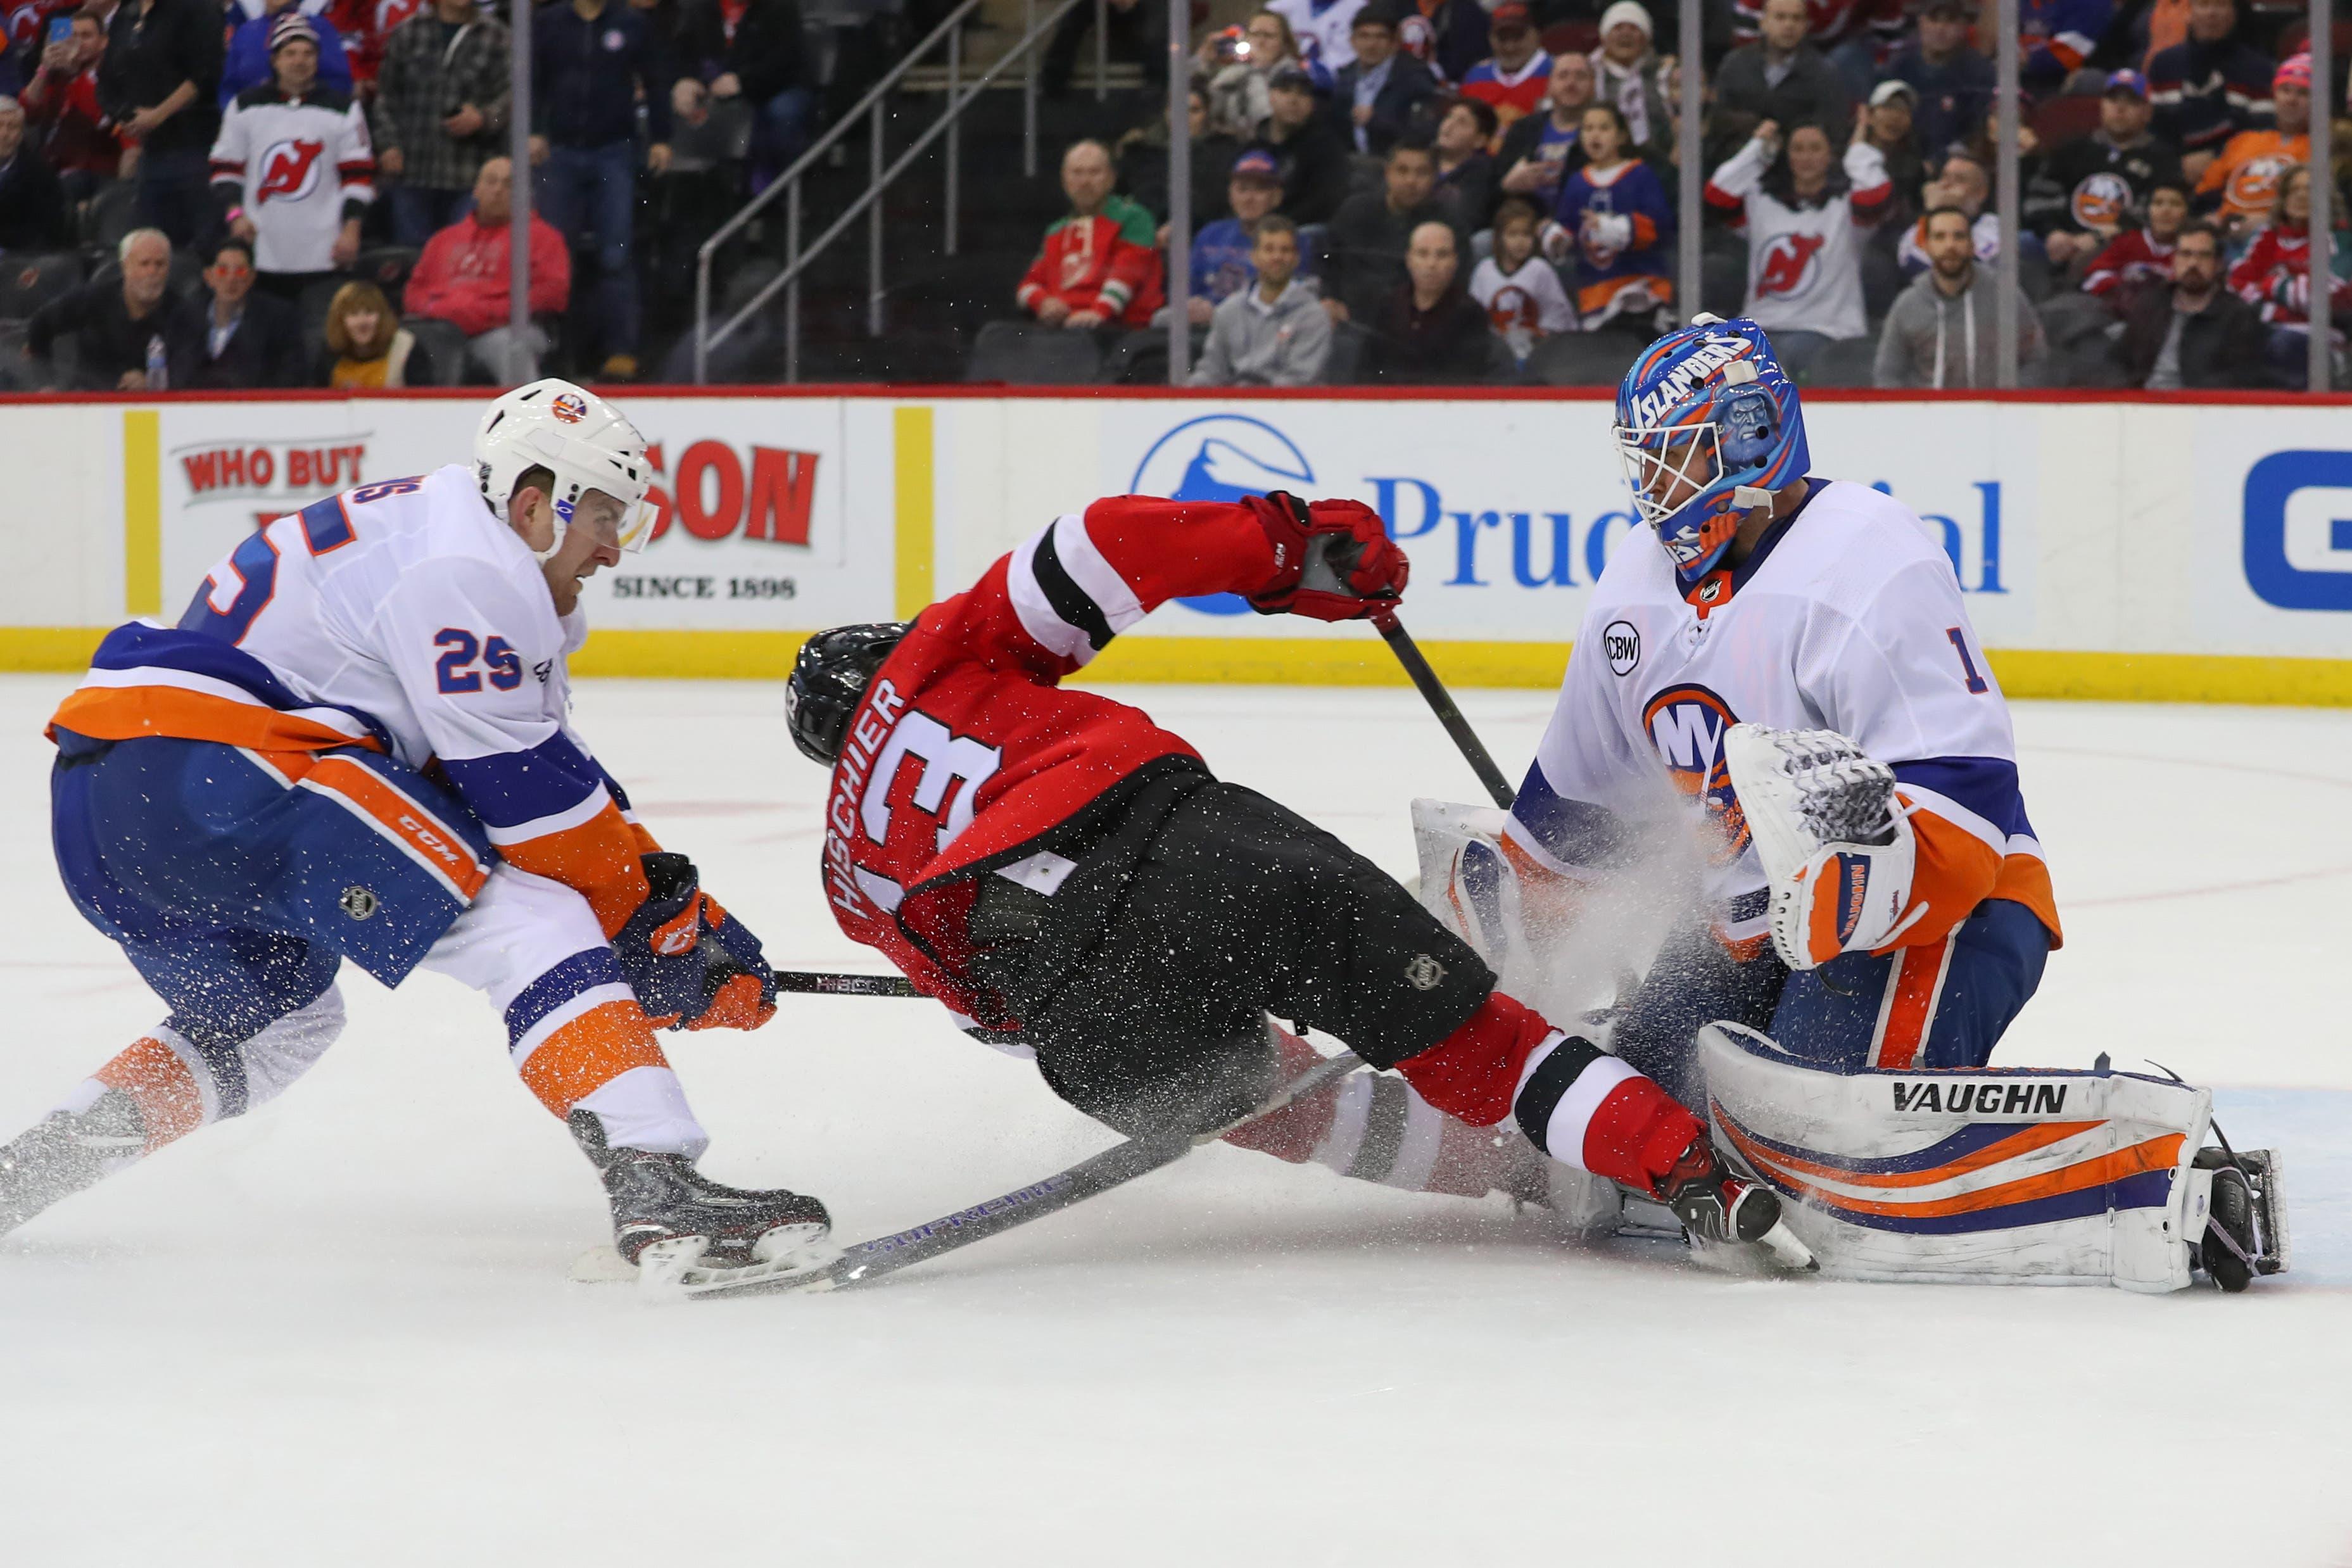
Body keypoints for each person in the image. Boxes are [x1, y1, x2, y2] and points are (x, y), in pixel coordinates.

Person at [782, 495, 1800, 1296]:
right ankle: (1681, 1171)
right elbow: (1093, 546)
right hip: (1190, 851)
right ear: (888, 650)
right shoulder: (932, 657)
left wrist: (1097, 1032)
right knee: (1479, 1046)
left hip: (1082, 1018)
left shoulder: (843, 873)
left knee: (1280, 1102)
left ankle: (1508, 1171)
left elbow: (990, 1021)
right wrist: (1279, 549)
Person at [0, 381, 830, 1279]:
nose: (612, 553)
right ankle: (656, 1182)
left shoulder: (439, 538)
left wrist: (665, 906)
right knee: (530, 922)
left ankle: (28, 1172)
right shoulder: (471, 572)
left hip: (116, 803)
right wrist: (647, 930)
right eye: (602, 518)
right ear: (531, 503)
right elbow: (529, 808)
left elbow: (557, 773)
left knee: (274, 1021)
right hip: (231, 774)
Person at [530, 0, 673, 382]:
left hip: (614, 150)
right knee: (557, 258)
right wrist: (532, 131)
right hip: (559, 151)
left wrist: (661, 137)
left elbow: (655, 79)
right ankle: (555, 352)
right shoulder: (549, 22)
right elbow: (532, 80)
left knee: (616, 254)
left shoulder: (630, 23)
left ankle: (621, 350)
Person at [209, 13, 374, 300]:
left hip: (324, 254)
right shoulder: (245, 106)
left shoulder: (344, 109)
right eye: (291, 53)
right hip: (260, 252)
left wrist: (351, 229)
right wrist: (235, 215)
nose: (300, 61)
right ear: (275, 60)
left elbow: (358, 176)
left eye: (308, 53)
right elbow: (225, 169)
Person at [1705, 118, 1892, 369]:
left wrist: (1857, 151)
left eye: (1815, 148)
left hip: (1826, 331)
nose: (1807, 157)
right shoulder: (1761, 202)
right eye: (1798, 149)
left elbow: (1876, 194)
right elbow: (1718, 194)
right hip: (1761, 328)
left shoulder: (1848, 208)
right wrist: (1759, 151)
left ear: (1831, 155)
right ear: (1787, 155)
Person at [402, 155, 572, 383]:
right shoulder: (443, 240)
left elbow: (552, 294)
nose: (498, 190)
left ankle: (527, 417)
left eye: (509, 184)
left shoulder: (544, 237)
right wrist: (441, 310)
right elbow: (414, 292)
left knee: (512, 348)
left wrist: (487, 312)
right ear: (476, 190)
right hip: (442, 331)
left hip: (503, 330)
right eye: (491, 182)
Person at [371, 0, 509, 248]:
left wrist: (484, 119)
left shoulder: (498, 36)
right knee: (411, 264)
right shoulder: (407, 33)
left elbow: (514, 104)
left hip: (469, 176)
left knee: (463, 260)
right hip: (412, 173)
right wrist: (388, 145)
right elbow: (385, 98)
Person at [96, 0, 224, 249]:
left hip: (196, 146)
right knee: (152, 242)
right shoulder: (126, 15)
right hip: (151, 151)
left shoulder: (199, 9)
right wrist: (127, 116)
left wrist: (158, 114)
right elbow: (107, 82)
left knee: (205, 243)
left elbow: (205, 73)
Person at [2029, 69, 2184, 272]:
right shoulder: (2072, 149)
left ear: (2147, 112)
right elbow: (2039, 197)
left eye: (2131, 102)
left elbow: (2158, 214)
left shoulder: (2163, 159)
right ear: (2102, 106)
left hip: (2123, 248)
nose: (2120, 108)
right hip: (2060, 242)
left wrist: (2101, 237)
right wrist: (2052, 233)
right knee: (2021, 245)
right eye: (2113, 100)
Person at [1875, 204, 2047, 386]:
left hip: (1993, 411)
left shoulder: (2005, 297)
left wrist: (2009, 406)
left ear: (1972, 245)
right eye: (1940, 237)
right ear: (1926, 246)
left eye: (1959, 236)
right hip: (1928, 413)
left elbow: (2036, 359)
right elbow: (1887, 374)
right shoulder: (1908, 305)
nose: (1950, 246)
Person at [1542, 101, 1672, 332]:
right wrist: (1557, 239)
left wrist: (1609, 228)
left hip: (1642, 288)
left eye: (1604, 128)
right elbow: (1567, 226)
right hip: (1595, 293)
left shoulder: (1639, 175)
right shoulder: (1577, 183)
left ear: (1621, 136)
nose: (1595, 135)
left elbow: (1658, 226)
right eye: (1588, 128)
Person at [22, 225, 201, 388]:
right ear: (125, 267)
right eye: (144, 264)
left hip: (152, 412)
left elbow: (186, 372)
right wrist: (45, 383)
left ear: (169, 269)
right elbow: (41, 324)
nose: (152, 272)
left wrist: (150, 382)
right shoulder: (94, 300)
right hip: (89, 407)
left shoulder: (184, 314)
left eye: (159, 264)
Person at [1015, 139, 1162, 332]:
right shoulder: (1056, 231)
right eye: (1077, 173)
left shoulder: (1135, 217)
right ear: (1064, 180)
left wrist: (1099, 312)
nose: (1085, 181)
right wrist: (1043, 303)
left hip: (1119, 328)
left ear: (1111, 178)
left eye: (1094, 172)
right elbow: (1027, 285)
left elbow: (1128, 274)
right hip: (1066, 330)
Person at [2115, 217, 2271, 386]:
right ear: (2174, 260)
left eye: (2203, 256)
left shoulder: (2239, 316)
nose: (2193, 263)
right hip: (2140, 405)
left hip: (2201, 406)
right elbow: (2119, 362)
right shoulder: (2151, 304)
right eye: (2186, 254)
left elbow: (2240, 379)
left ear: (2218, 264)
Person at [2227, 164, 2350, 376]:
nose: (2301, 196)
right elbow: (2235, 284)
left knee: (2282, 344)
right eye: (2294, 190)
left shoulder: (2340, 239)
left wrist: (2270, 284)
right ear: (2283, 199)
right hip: (2262, 326)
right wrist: (2277, 307)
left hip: (2321, 340)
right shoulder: (2266, 236)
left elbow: (2324, 296)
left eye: (2310, 189)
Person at [673, 0, 811, 186]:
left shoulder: (781, 6)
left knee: (781, 113)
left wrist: (742, 81)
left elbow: (786, 59)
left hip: (777, 86)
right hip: (721, 89)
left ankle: (778, 195)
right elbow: (683, 52)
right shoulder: (701, 7)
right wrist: (686, 79)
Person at [1189, 213, 1331, 384]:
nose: (1277, 257)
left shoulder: (1313, 316)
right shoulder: (1228, 311)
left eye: (1285, 250)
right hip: (1234, 405)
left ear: (1296, 259)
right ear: (1253, 257)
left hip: (1286, 407)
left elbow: (1300, 380)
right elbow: (1211, 371)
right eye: (1269, 249)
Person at [1324, 136, 1451, 323]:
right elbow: (1327, 258)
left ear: (1434, 177)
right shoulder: (1355, 210)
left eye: (1421, 173)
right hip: (1349, 317)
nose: (1411, 181)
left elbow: (1456, 280)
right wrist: (1330, 297)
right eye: (1402, 171)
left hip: (1416, 322)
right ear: (1388, 173)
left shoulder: (1446, 225)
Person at [2147, 0, 2275, 181]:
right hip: (2173, 176)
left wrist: (2217, 158)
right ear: (2189, 13)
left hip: (2236, 174)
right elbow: (2157, 131)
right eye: (2203, 4)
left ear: (2235, 13)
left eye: (2220, 5)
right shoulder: (2164, 65)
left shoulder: (2258, 69)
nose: (2211, 13)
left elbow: (2262, 133)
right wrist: (2177, 165)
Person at [1711, 0, 1851, 157]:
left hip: (1796, 167)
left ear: (1806, 26)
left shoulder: (1824, 73)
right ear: (1763, 23)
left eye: (1797, 18)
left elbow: (1832, 130)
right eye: (1780, 17)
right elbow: (1717, 117)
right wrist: (1754, 126)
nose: (1789, 25)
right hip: (1737, 161)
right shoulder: (1735, 64)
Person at [2196, 53, 2310, 237]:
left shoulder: (2323, 147)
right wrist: (2213, 218)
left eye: (2303, 93)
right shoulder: (2243, 140)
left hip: (2283, 236)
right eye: (2285, 90)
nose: (2291, 99)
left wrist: (2271, 221)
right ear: (2274, 95)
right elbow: (2207, 192)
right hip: (2227, 234)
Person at [1362, 217, 1490, 381]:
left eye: (1442, 255)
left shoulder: (1471, 313)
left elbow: (1466, 377)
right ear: (1409, 260)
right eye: (1422, 254)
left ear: (1455, 262)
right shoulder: (1388, 306)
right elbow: (1367, 370)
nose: (1432, 264)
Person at [19, 8, 123, 201]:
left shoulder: (114, 77)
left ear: (103, 42)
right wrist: (44, 69)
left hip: (94, 174)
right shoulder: (59, 78)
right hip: (52, 170)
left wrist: (77, 75)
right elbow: (28, 113)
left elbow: (98, 119)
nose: (79, 42)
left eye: (86, 36)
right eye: (73, 36)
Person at [179, 234, 304, 388]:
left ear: (252, 278)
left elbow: (290, 375)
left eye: (240, 272)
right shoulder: (186, 317)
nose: (231, 279)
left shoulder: (279, 319)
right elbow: (177, 375)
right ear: (208, 276)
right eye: (223, 271)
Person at [1179, 148, 1287, 323]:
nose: (1248, 198)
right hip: (1199, 326)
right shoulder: (1210, 233)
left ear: (1276, 197)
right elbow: (1187, 289)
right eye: (1242, 189)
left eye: (1259, 190)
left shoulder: (1289, 241)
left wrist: (1217, 313)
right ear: (1231, 194)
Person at [1883, 0, 1992, 171]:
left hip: (1957, 166)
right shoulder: (1900, 66)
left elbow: (1977, 134)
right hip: (1903, 164)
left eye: (1950, 21)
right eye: (1934, 20)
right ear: (1921, 23)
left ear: (1963, 27)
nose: (1941, 29)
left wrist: (1938, 162)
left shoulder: (1979, 72)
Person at [1469, 194, 1571, 362]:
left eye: (1526, 234)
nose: (1520, 241)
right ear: (1499, 237)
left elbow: (1559, 320)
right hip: (1495, 356)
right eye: (1513, 234)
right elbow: (1475, 322)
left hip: (1539, 355)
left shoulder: (1540, 270)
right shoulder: (1484, 271)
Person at [1244, 65, 1351, 225]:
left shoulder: (1326, 147)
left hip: (1301, 232)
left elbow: (1325, 202)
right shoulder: (1252, 146)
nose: (1293, 100)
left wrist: (1277, 225)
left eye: (1303, 94)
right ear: (1271, 96)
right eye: (1286, 91)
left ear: (1312, 103)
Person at [1332, 3, 1436, 156]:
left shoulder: (1415, 79)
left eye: (1380, 37)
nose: (1371, 45)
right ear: (1352, 41)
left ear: (1395, 43)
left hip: (1395, 164)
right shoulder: (1344, 77)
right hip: (1350, 166)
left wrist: (1375, 122)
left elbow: (1422, 134)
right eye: (1364, 36)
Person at [1495, 49, 1595, 207]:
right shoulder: (1523, 129)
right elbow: (1495, 186)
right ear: (1549, 85)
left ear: (1593, 85)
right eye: (1563, 76)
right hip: (1525, 219)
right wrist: (1508, 186)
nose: (1571, 84)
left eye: (1580, 76)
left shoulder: (1605, 129)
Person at [220, 0, 353, 105]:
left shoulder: (319, 27)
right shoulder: (246, 32)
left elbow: (339, 82)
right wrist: (234, 115)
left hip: (311, 117)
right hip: (252, 119)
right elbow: (229, 87)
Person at [1588, 0, 1674, 155]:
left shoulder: (1666, 72)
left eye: (1634, 28)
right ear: (1604, 37)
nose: (1625, 34)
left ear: (1647, 38)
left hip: (1660, 160)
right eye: (1618, 28)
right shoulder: (1589, 73)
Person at [1894, 148, 1999, 274]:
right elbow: (1914, 267)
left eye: (1960, 180)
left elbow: (1962, 273)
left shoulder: (1995, 228)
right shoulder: (1917, 228)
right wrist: (1931, 214)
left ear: (1981, 193)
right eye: (1944, 176)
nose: (1946, 185)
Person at [2081, 177, 2188, 299]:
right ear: (2148, 210)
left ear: (2187, 212)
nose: (2166, 211)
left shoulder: (2192, 248)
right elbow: (2096, 274)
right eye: (2158, 203)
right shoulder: (2128, 241)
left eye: (2175, 204)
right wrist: (2121, 290)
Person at [319, 276, 433, 386]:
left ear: (383, 316)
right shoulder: (330, 350)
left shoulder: (406, 346)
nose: (362, 322)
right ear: (340, 320)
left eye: (369, 313)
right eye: (353, 314)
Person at [1204, 11, 1300, 141]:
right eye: (1255, 34)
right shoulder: (1235, 72)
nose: (1261, 42)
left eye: (1269, 36)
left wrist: (1256, 72)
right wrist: (1205, 63)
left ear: (1284, 43)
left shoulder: (1294, 75)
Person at [1458, 3, 1548, 134]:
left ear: (1535, 34)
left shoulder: (1557, 73)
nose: (1510, 47)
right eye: (1502, 38)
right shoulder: (1475, 77)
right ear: (1490, 38)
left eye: (1518, 37)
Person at [0, 91, 66, 249]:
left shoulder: (40, 173)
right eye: (0, 125)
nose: (4, 134)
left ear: (22, 135)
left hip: (19, 254)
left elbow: (46, 229)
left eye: (12, 127)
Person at [1856, 79, 1924, 211]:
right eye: (1889, 107)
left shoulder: (1912, 168)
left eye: (1905, 110)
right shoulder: (1842, 157)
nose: (1896, 116)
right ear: (1870, 114)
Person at [1429, 95, 1493, 229]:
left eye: (1462, 122)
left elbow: (1468, 219)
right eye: (1449, 117)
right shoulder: (1423, 159)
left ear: (1480, 140)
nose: (1449, 125)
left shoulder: (1483, 176)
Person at [2016, 0, 2110, 91]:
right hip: (2019, 77)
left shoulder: (2092, 4)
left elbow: (2070, 52)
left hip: (2062, 86)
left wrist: (2025, 58)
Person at [1267, 0, 1367, 79]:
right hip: (1280, 79)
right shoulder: (1279, 7)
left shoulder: (1359, 8)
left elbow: (1344, 64)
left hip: (1333, 87)